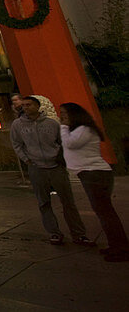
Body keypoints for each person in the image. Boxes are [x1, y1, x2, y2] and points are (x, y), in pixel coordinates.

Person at [10, 95, 91, 246]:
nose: (25, 108)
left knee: (68, 201)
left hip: (56, 167)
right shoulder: (17, 125)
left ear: (37, 106)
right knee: (43, 202)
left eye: (29, 105)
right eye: (24, 105)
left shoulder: (52, 123)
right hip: (36, 167)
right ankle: (54, 232)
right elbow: (17, 144)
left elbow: (62, 143)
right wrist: (27, 160)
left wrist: (61, 159)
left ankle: (78, 233)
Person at [59, 102, 127, 261]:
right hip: (89, 173)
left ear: (74, 114)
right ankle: (116, 245)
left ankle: (121, 249)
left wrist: (62, 127)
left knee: (105, 213)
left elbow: (70, 144)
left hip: (94, 174)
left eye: (64, 113)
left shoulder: (85, 129)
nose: (62, 116)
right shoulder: (79, 130)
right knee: (104, 212)